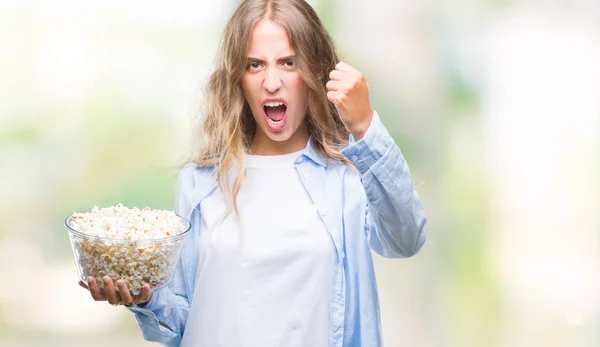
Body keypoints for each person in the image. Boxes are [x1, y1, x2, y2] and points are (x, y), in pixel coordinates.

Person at [78, 0, 427, 346]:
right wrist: (145, 299)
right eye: (255, 65)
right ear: (238, 78)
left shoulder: (348, 178)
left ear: (314, 72)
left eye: (288, 63)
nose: (271, 82)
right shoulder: (200, 181)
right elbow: (182, 321)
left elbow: (406, 240)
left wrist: (365, 127)